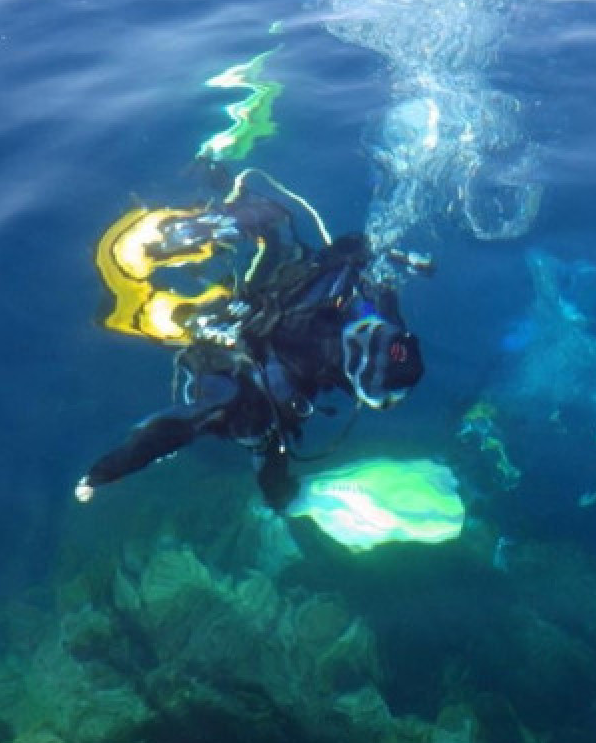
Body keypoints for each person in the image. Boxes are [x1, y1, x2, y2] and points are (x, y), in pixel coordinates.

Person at [75, 169, 425, 510]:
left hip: (238, 314)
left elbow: (180, 427)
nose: (365, 321)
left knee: (271, 233)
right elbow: (180, 429)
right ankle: (206, 194)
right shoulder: (272, 386)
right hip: (240, 325)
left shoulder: (275, 385)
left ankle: (208, 192)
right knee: (254, 425)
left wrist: (104, 472)